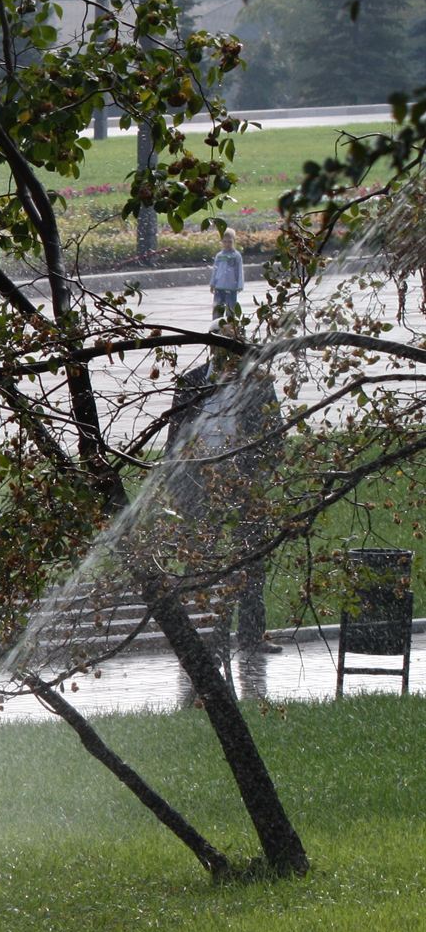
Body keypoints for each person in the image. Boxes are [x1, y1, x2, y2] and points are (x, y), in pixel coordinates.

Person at [167, 344, 282, 654]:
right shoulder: (190, 382)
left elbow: (275, 436)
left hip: (243, 484)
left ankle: (251, 635)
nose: (225, 357)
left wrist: (254, 475)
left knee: (251, 559)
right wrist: (176, 483)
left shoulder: (258, 384)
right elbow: (175, 435)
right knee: (198, 562)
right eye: (218, 348)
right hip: (200, 484)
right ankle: (194, 641)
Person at [210, 228, 245, 324]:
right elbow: (215, 270)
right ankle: (216, 325)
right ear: (221, 242)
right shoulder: (219, 256)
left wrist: (239, 285)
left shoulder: (236, 256)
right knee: (217, 308)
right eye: (224, 241)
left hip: (231, 287)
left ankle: (230, 326)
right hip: (219, 287)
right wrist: (212, 283)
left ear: (234, 241)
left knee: (230, 308)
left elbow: (239, 271)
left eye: (229, 241)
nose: (227, 244)